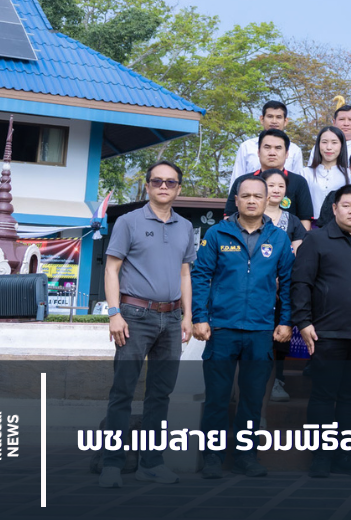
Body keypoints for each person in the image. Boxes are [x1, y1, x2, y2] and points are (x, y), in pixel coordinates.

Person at [98, 161, 195, 488]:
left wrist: (188, 316)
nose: (163, 186)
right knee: (122, 390)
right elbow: (112, 269)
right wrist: (114, 313)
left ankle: (151, 463)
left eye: (170, 182)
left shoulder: (184, 226)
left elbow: (185, 273)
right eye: (157, 181)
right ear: (148, 186)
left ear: (179, 188)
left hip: (171, 319)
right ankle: (112, 464)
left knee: (160, 394)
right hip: (134, 316)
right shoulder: (128, 222)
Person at [192, 174, 294, 479]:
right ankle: (212, 457)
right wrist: (199, 316)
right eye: (245, 195)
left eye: (257, 196)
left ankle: (246, 457)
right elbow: (200, 276)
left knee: (251, 398)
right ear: (236, 200)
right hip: (222, 328)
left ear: (267, 200)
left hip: (261, 331)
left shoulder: (278, 238)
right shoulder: (217, 234)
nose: (251, 200)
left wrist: (286, 320)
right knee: (217, 397)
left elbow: (288, 283)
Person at [292, 185, 351, 478]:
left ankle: (346, 456)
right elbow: (301, 283)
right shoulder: (317, 239)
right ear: (334, 209)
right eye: (346, 205)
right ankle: (321, 458)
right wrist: (304, 322)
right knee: (323, 397)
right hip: (327, 334)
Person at [263, 168, 307, 403]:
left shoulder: (293, 221)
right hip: (257, 292)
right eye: (271, 185)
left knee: (278, 340)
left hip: (284, 292)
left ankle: (277, 382)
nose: (277, 190)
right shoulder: (252, 218)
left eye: (281, 186)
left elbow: (297, 253)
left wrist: (283, 278)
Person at [226, 129, 314, 229]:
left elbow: (305, 221)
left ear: (286, 154)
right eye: (267, 147)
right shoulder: (242, 182)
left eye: (278, 148)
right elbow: (229, 217)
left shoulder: (299, 182)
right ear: (258, 152)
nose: (272, 153)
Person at [230, 100, 304, 185]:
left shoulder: (294, 150)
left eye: (279, 117)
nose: (274, 121)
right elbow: (237, 179)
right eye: (270, 116)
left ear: (285, 121)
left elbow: (296, 182)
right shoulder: (246, 147)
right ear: (262, 119)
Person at [304, 126, 349, 218]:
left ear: (341, 145)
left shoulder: (350, 174)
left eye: (334, 143)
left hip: (341, 225)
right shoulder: (305, 173)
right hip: (312, 225)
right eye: (324, 142)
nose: (329, 147)